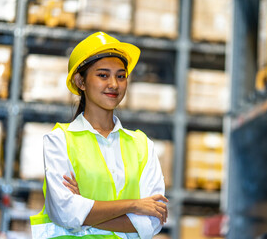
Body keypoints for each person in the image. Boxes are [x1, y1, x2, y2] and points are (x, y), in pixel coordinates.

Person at [30, 32, 168, 239]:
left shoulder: (142, 145)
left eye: (121, 76)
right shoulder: (59, 140)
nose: (114, 84)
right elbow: (64, 212)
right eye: (103, 75)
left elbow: (153, 220)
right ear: (81, 82)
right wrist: (133, 205)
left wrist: (84, 210)